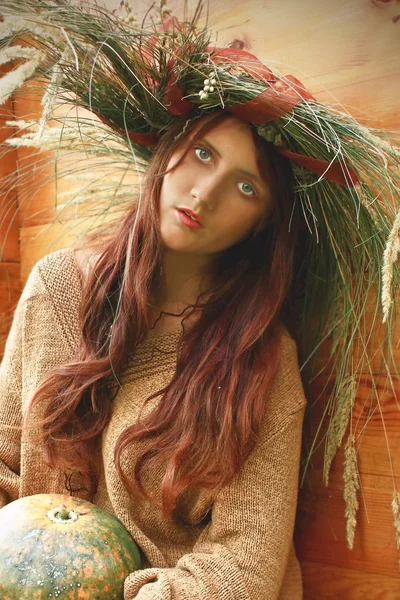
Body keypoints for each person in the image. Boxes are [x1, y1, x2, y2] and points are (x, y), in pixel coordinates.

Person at [0, 1, 399, 598]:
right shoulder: (58, 287)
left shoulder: (261, 360)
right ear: (168, 155)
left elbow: (243, 566)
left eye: (245, 186)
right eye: (204, 154)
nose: (205, 193)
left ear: (263, 222)